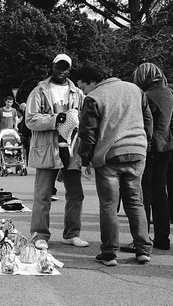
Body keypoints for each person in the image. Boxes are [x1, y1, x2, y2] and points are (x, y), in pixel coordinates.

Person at [76, 65, 153, 266]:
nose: (83, 91)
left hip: (110, 155)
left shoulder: (95, 97)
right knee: (135, 202)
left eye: (82, 87)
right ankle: (143, 249)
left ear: (90, 82)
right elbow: (148, 120)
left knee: (109, 205)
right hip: (137, 152)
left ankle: (109, 253)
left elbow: (88, 133)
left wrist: (85, 160)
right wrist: (146, 142)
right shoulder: (135, 90)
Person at [25, 53, 88, 250]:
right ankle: (39, 235)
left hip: (71, 149)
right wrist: (55, 120)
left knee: (76, 194)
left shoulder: (77, 93)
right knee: (42, 195)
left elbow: (86, 116)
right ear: (52, 67)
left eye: (65, 67)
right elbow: (31, 120)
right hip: (47, 148)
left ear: (70, 69)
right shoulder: (39, 91)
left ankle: (72, 234)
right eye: (58, 66)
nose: (62, 71)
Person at [120, 62, 172, 251]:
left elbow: (144, 123)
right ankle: (162, 238)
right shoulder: (168, 93)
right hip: (166, 146)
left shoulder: (147, 96)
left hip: (149, 148)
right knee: (161, 195)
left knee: (144, 196)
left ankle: (142, 239)